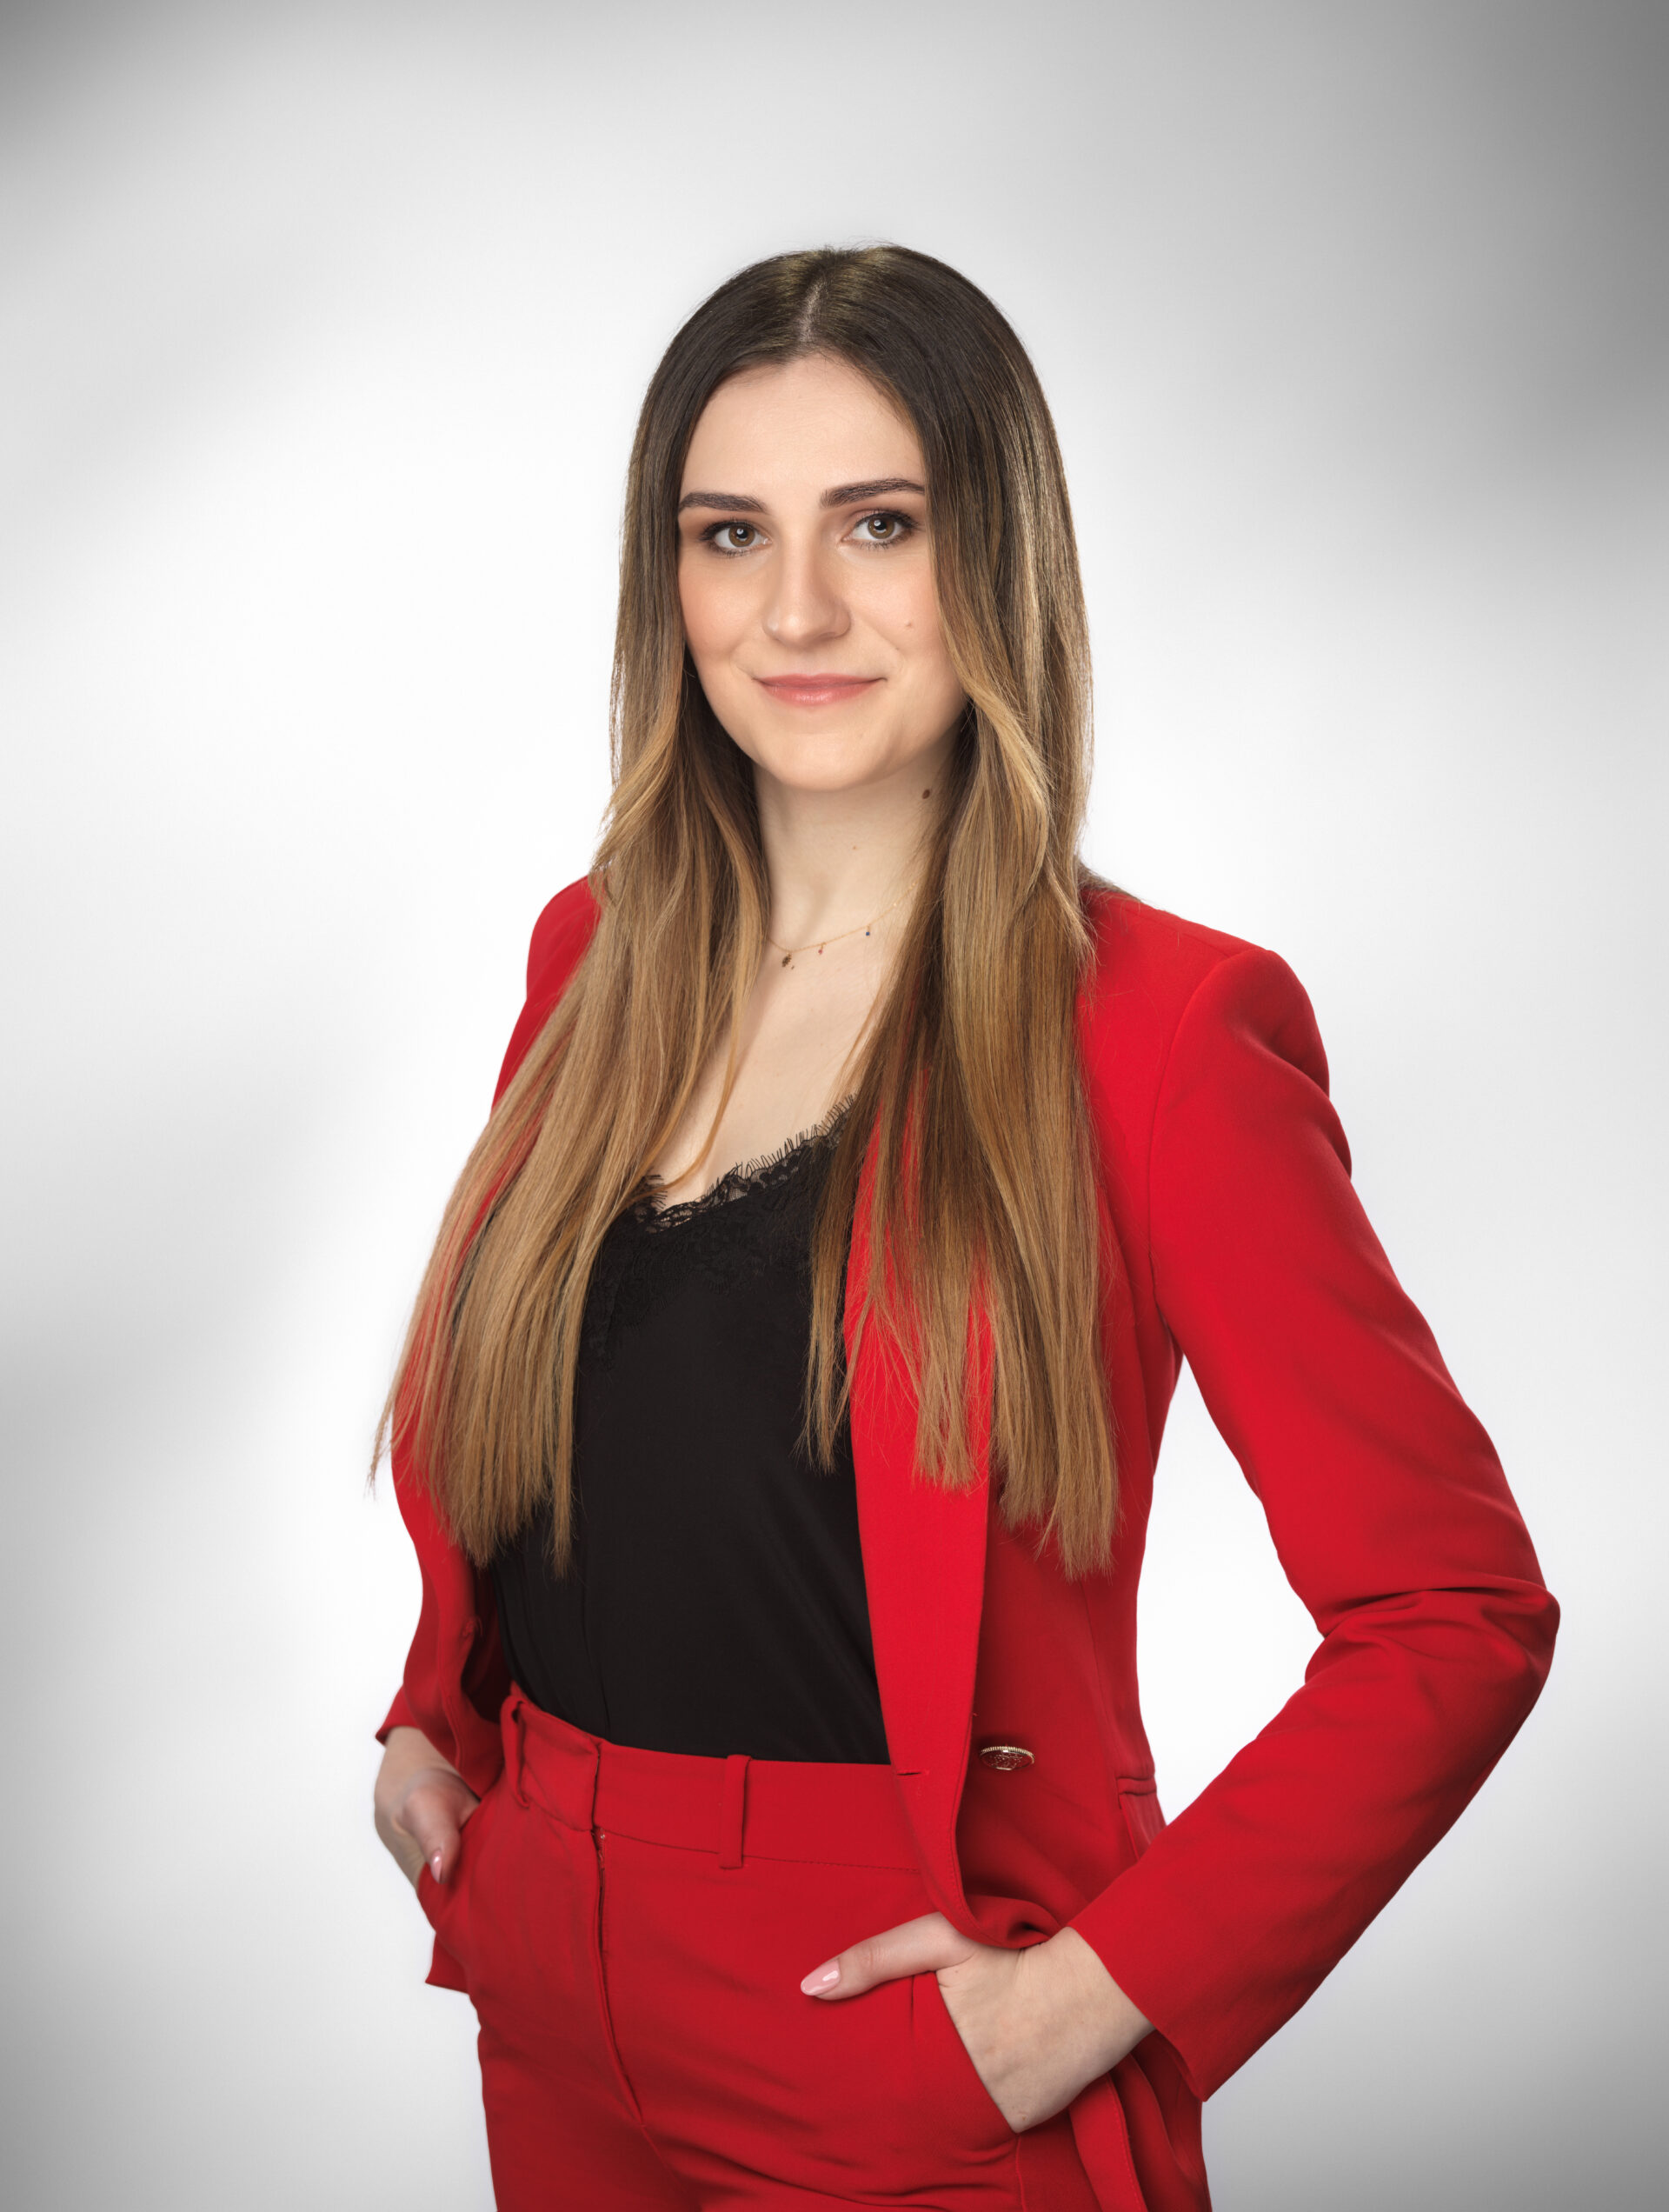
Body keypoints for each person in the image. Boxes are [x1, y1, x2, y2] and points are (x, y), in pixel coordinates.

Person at [369, 244, 1556, 2212]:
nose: (797, 610)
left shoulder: (1161, 1035)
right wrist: (437, 1718)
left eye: (881, 524)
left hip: (898, 2029)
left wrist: (1090, 1998)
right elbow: (559, 1418)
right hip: (550, 1992)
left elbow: (1455, 1612)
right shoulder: (592, 959)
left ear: (995, 554)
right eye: (731, 533)